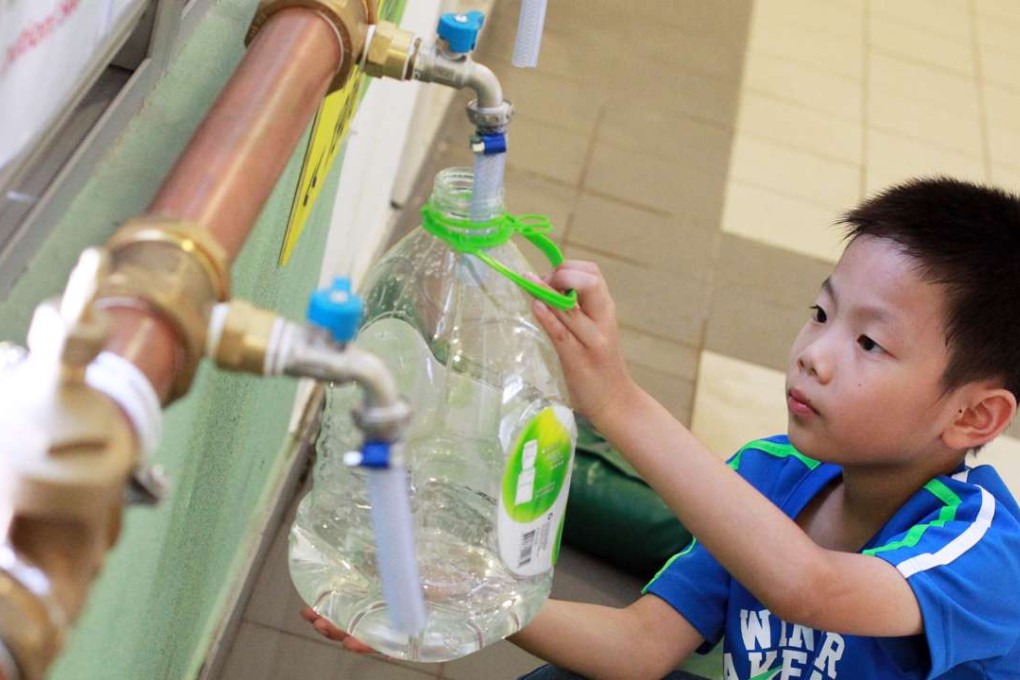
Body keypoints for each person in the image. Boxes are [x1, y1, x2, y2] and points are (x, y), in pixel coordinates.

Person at [304, 177, 1020, 678]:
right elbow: (641, 647)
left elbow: (814, 590)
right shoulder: (771, 474)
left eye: (870, 345)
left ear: (973, 416)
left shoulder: (986, 551)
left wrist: (615, 400)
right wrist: (461, 604)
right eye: (822, 314)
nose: (815, 355)